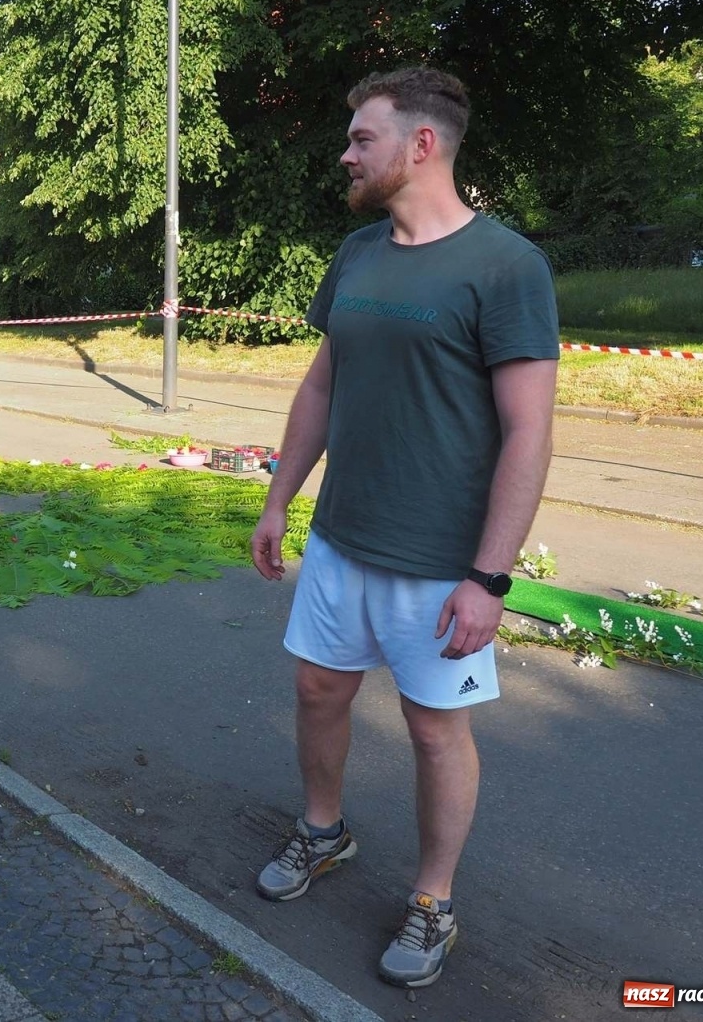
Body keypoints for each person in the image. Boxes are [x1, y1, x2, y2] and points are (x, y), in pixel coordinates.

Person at [248, 68, 558, 989]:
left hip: (440, 563)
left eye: (362, 138)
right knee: (316, 691)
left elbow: (529, 431)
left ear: (421, 145)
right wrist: (279, 499)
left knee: (433, 731)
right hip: (345, 539)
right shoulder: (358, 252)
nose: (346, 152)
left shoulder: (507, 267)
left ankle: (433, 898)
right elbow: (321, 384)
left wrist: (490, 578)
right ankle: (322, 829)